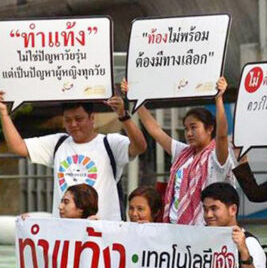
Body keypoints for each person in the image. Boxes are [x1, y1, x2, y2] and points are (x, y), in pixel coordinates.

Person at [0, 92, 147, 221]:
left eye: (79, 118)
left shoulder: (110, 142)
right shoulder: (58, 142)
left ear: (92, 117)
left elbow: (140, 146)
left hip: (104, 233)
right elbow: (17, 146)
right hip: (66, 235)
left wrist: (124, 117)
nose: (73, 124)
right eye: (68, 120)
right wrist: (3, 113)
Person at [121, 78, 233, 225]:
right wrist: (135, 98)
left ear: (210, 128)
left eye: (194, 127)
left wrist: (219, 98)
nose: (189, 133)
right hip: (175, 227)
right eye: (186, 129)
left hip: (204, 228)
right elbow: (155, 130)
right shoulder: (184, 153)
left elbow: (222, 135)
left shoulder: (216, 156)